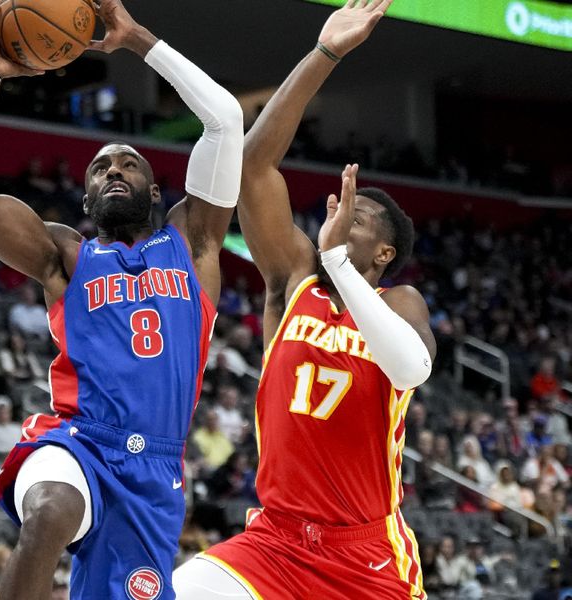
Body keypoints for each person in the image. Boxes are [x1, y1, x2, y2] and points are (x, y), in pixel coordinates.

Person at [0, 0, 242, 597]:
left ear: (155, 189)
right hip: (80, 439)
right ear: (85, 199)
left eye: (127, 163)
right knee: (50, 509)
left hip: (156, 469)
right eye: (99, 167)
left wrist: (138, 40)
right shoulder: (68, 256)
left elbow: (226, 122)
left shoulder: (195, 241)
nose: (112, 170)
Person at [174, 2, 436, 598]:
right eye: (338, 206)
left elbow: (410, 367)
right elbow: (254, 164)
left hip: (366, 556)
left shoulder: (400, 304)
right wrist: (326, 54)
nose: (340, 213)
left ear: (384, 255)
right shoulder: (295, 280)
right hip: (274, 542)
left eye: (359, 217)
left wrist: (339, 264)